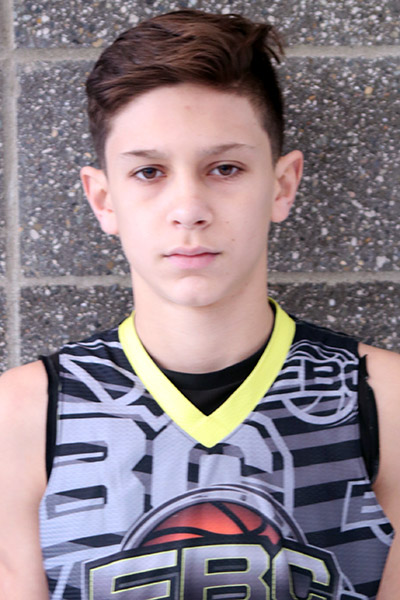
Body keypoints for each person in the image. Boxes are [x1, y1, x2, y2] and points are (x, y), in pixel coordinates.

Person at [0, 9, 399, 600]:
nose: (189, 208)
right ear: (103, 199)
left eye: (225, 168)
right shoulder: (22, 415)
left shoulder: (383, 400)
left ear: (282, 185)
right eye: (149, 172)